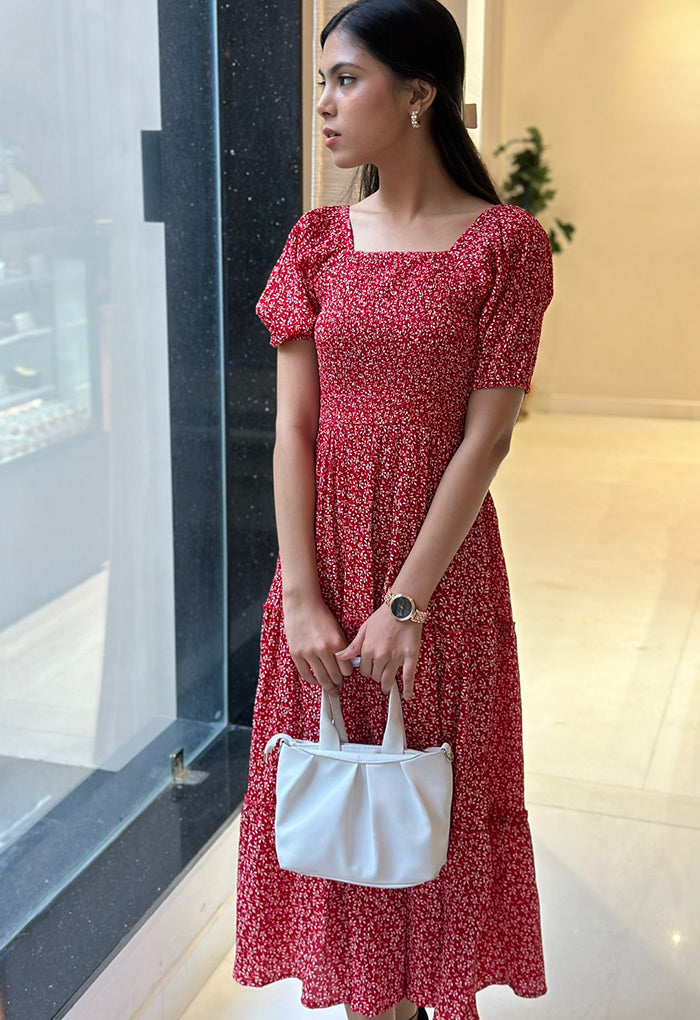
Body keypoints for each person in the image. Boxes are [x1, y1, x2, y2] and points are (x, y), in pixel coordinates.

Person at [232, 2, 554, 1018]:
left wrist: (403, 606)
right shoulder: (318, 241)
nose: (323, 104)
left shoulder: (504, 245)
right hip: (321, 562)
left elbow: (486, 437)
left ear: (417, 96)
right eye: (323, 80)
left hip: (438, 580)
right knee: (336, 800)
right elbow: (291, 431)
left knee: (426, 809)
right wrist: (300, 601)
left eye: (345, 78)